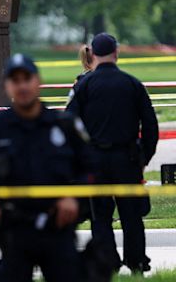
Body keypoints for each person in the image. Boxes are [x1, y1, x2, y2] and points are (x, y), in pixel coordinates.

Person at [0, 53, 95, 282]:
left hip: (57, 230)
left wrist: (74, 197)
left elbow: (91, 168)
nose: (22, 86)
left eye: (27, 78)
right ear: (7, 86)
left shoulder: (64, 125)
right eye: (15, 80)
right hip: (14, 231)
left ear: (38, 82)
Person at [67, 33, 159, 274]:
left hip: (95, 161)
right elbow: (150, 125)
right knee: (131, 216)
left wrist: (81, 155)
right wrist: (143, 157)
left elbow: (69, 121)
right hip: (127, 159)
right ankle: (137, 262)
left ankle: (107, 264)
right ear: (116, 53)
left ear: (93, 55)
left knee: (100, 217)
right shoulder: (132, 84)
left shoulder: (84, 86)